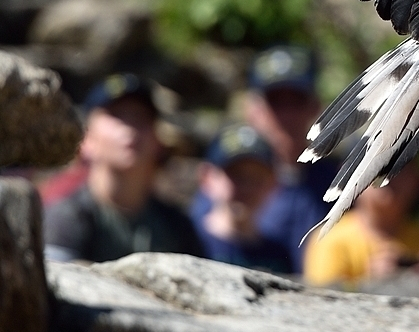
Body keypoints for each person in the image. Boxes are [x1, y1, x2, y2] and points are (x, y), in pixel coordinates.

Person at [190, 44, 331, 271]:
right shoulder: (225, 183)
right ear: (252, 109)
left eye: (296, 101)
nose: (286, 115)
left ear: (315, 106)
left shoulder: (337, 182)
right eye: (275, 101)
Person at [43, 74, 204, 263]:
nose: (130, 128)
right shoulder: (65, 217)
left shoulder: (177, 226)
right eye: (117, 116)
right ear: (86, 139)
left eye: (140, 118)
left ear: (157, 141)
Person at [303, 161, 419, 287]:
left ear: (416, 179)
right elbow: (323, 304)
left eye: (400, 166)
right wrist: (372, 284)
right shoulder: (331, 240)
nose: (388, 177)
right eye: (378, 166)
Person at [193, 125, 294, 274]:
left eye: (257, 178)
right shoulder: (189, 240)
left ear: (274, 184)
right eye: (237, 176)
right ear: (207, 178)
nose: (247, 187)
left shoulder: (278, 255)